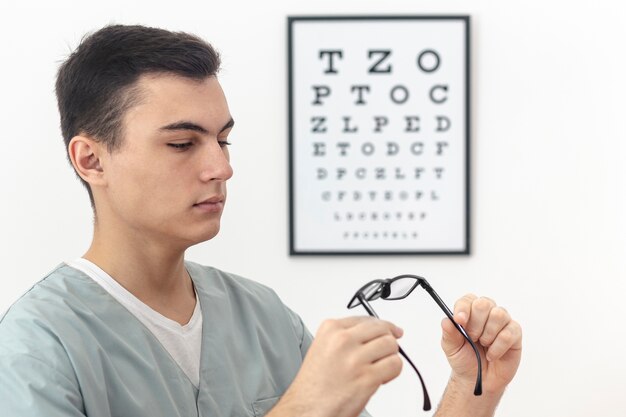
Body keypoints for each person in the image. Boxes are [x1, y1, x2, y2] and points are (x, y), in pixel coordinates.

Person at [0, 24, 522, 417]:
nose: (221, 167)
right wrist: (300, 408)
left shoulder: (264, 318)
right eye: (182, 143)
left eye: (223, 139)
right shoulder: (37, 347)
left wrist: (472, 388)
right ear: (91, 160)